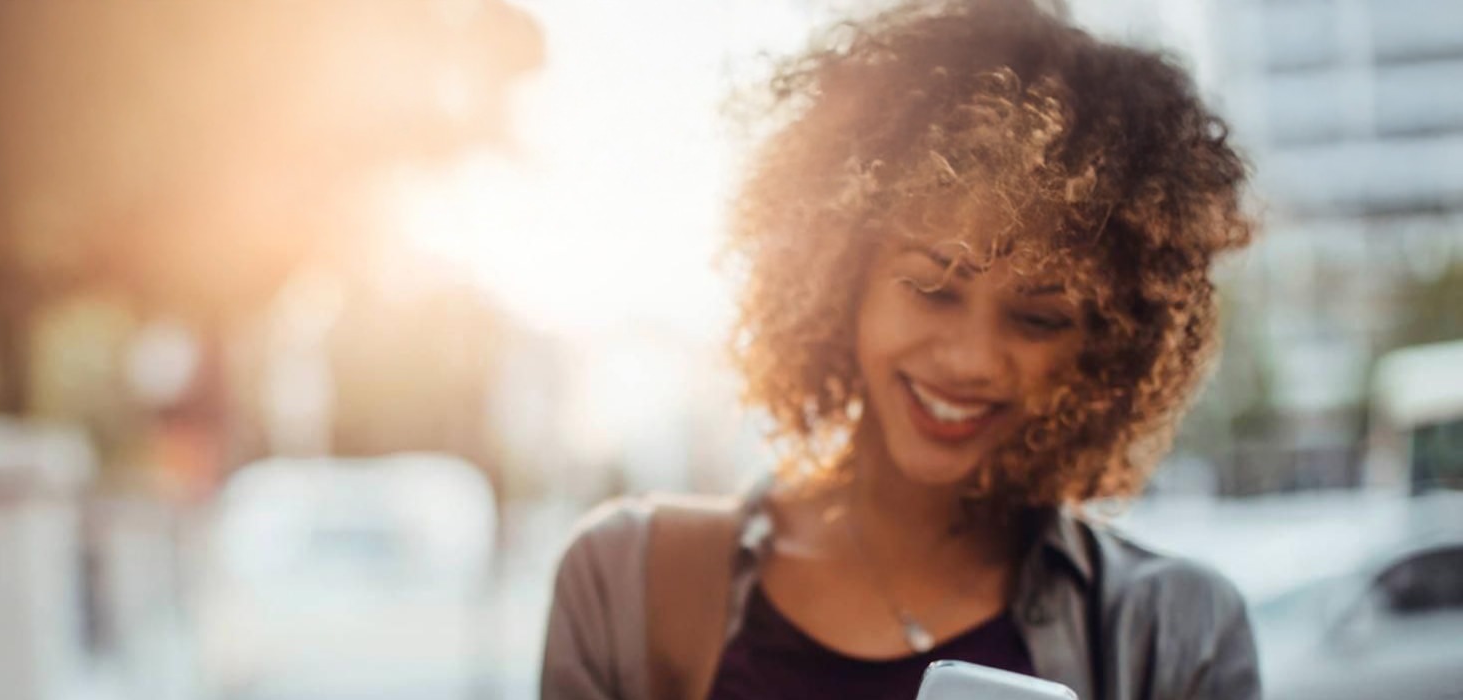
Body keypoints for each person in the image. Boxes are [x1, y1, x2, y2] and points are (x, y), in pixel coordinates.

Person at [540, 1, 1260, 699]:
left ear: (1105, 346)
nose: (972, 359)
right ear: (837, 277)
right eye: (932, 288)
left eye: (1038, 320)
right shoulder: (628, 581)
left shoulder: (1179, 632)